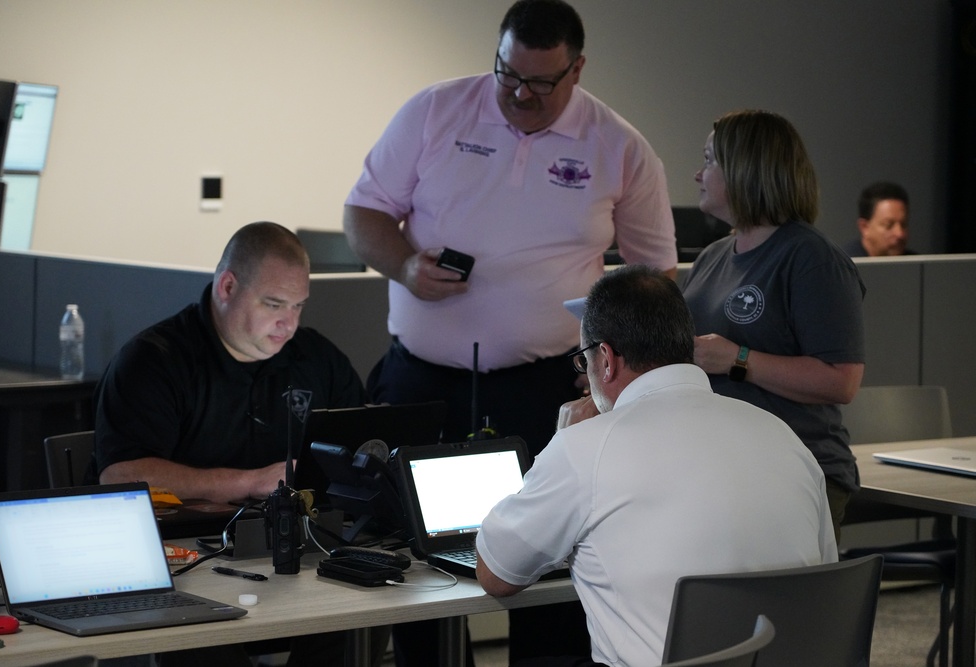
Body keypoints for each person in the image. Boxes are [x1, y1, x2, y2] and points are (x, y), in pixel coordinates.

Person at [344, 1, 676, 661]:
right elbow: (365, 213)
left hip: (546, 380)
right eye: (507, 74)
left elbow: (654, 278)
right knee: (410, 558)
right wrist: (407, 265)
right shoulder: (436, 111)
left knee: (548, 553)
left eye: (540, 83)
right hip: (422, 375)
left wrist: (613, 377)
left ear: (577, 70)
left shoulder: (619, 146)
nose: (519, 94)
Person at [475, 265, 838, 667]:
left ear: (606, 360)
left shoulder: (586, 447)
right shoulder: (782, 436)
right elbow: (823, 572)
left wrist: (564, 441)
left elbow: (497, 574)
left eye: (584, 362)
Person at [93, 221, 368, 666]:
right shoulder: (155, 360)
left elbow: (361, 444)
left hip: (299, 549)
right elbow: (120, 474)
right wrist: (251, 482)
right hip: (180, 559)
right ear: (227, 286)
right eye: (274, 304)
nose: (289, 324)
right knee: (202, 638)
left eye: (298, 306)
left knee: (364, 610)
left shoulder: (317, 359)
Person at [680, 109, 866, 541]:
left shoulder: (811, 259)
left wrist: (737, 359)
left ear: (746, 170)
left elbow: (841, 382)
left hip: (795, 470)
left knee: (780, 609)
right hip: (718, 468)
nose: (697, 174)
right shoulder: (712, 257)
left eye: (709, 160)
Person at [843, 181, 916, 257]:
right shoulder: (842, 265)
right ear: (864, 227)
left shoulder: (917, 264)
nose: (900, 234)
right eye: (888, 225)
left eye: (904, 225)